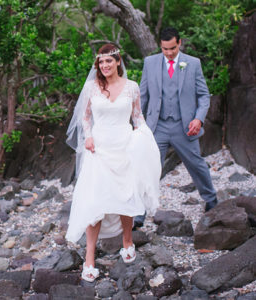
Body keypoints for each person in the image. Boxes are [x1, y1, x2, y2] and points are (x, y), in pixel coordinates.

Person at [65, 44, 161, 282]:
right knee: (94, 201)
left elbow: (137, 116)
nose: (105, 66)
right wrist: (87, 136)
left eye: (109, 61)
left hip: (125, 146)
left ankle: (127, 241)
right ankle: (89, 256)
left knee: (126, 195)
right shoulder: (91, 87)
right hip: (99, 148)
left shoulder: (132, 87)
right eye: (101, 62)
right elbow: (85, 117)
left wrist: (144, 138)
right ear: (98, 65)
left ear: (118, 61)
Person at [134, 27, 218, 228]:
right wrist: (138, 123)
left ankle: (211, 200)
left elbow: (204, 96)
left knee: (196, 164)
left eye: (172, 48)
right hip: (158, 126)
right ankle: (139, 213)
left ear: (179, 43)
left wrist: (198, 119)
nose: (169, 53)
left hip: (184, 126)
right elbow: (142, 96)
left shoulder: (193, 63)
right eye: (165, 49)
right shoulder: (150, 63)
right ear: (160, 46)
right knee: (149, 169)